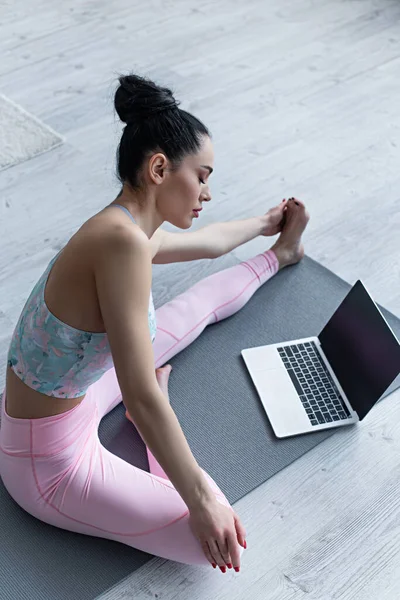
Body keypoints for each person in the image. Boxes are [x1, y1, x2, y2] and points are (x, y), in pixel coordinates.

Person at [0, 73, 310, 574]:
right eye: (202, 175)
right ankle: (161, 452)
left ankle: (281, 257)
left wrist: (266, 226)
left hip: (72, 399)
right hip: (46, 463)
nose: (207, 192)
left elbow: (208, 242)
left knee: (187, 310)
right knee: (215, 535)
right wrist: (201, 500)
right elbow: (139, 395)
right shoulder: (120, 244)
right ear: (160, 167)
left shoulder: (125, 227)